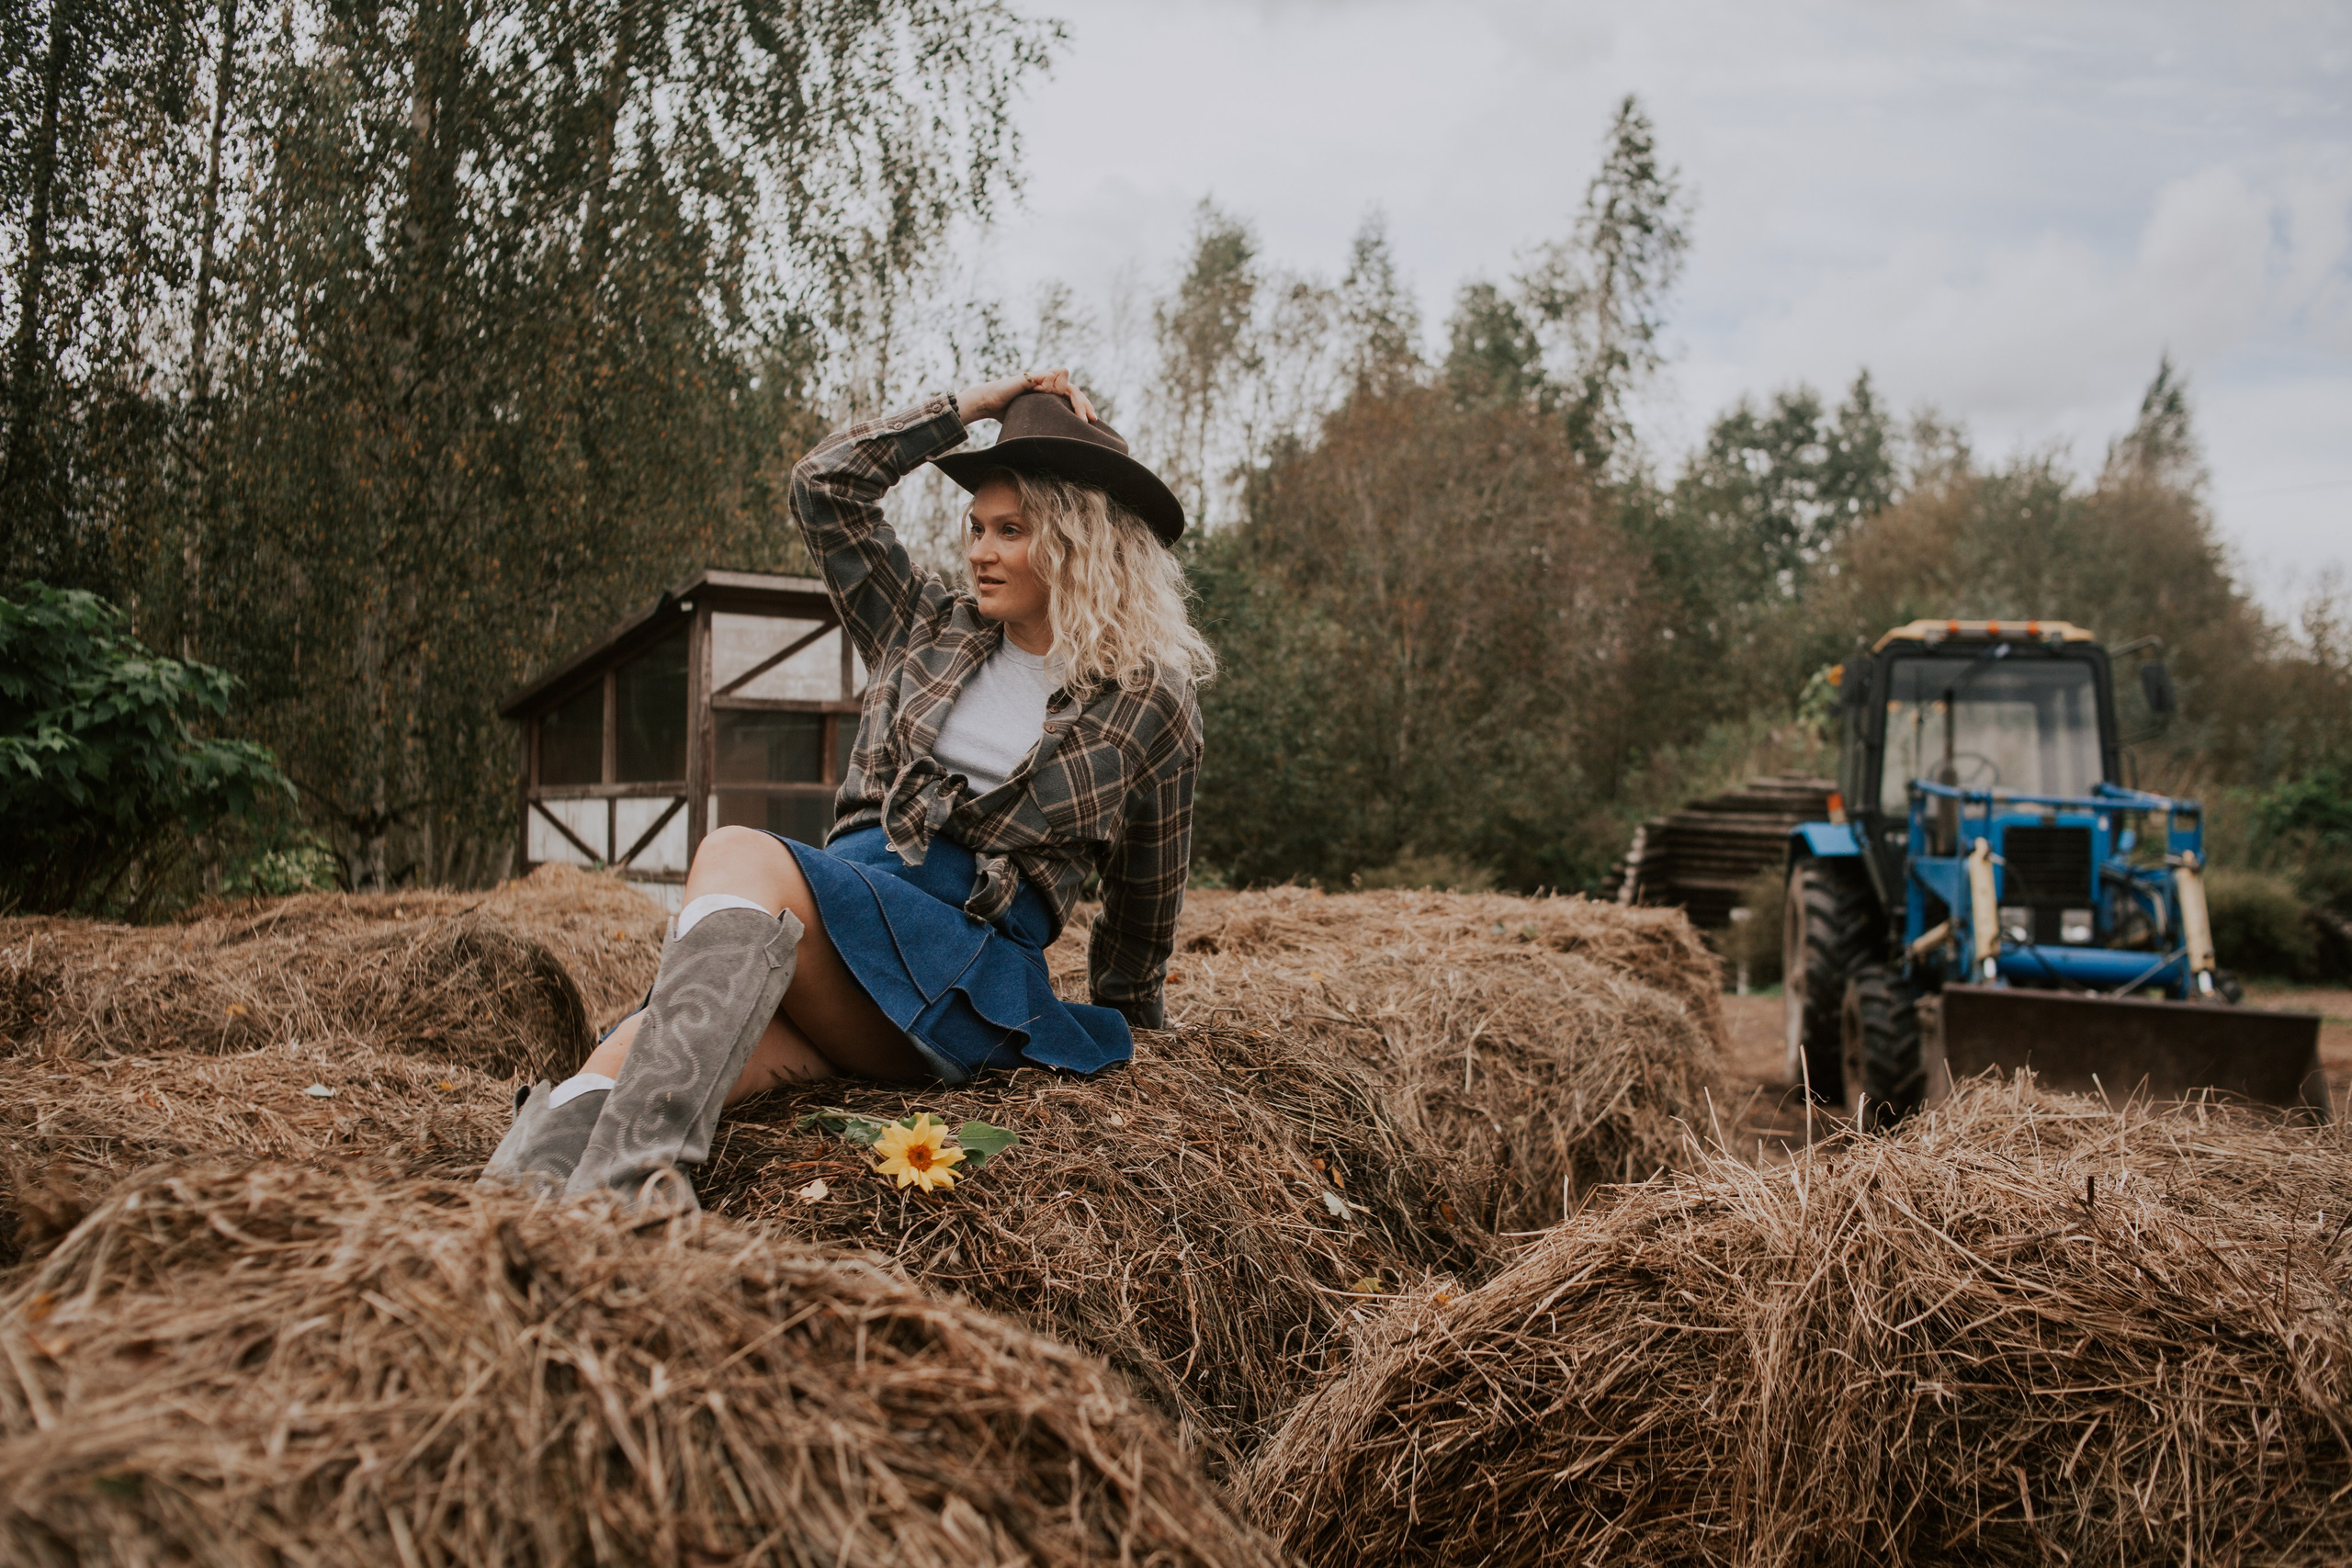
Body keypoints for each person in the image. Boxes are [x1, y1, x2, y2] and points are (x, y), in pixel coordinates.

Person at [482, 370, 1213, 1206]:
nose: (979, 550)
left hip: (965, 972)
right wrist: (974, 407)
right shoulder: (921, 624)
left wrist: (1139, 1029)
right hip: (846, 952)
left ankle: (637, 1190)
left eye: (1010, 530)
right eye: (975, 527)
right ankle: (514, 1218)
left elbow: (1146, 896)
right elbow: (824, 485)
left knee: (733, 851)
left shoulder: (1149, 697)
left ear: (1080, 541)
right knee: (638, 1049)